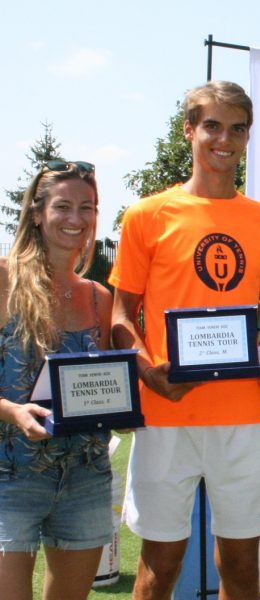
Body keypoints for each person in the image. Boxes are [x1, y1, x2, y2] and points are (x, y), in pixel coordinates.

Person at [109, 81, 260, 599]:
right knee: (160, 567)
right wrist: (146, 371)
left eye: (237, 128)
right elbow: (121, 313)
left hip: (243, 414)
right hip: (167, 412)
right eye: (212, 126)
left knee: (242, 568)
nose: (223, 139)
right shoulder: (146, 215)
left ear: (248, 137)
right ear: (189, 131)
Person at [0, 160, 113, 600]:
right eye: (63, 206)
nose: (75, 219)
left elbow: (105, 382)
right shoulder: (5, 279)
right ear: (36, 213)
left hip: (86, 475)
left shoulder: (98, 297)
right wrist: (11, 410)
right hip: (11, 474)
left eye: (86, 207)